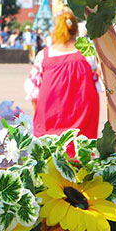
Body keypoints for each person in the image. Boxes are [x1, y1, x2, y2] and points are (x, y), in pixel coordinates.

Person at [25, 9, 104, 152]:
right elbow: (98, 84)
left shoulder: (44, 55)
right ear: (76, 31)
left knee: (50, 159)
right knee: (79, 157)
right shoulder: (87, 53)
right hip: (82, 117)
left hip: (50, 117)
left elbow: (34, 92)